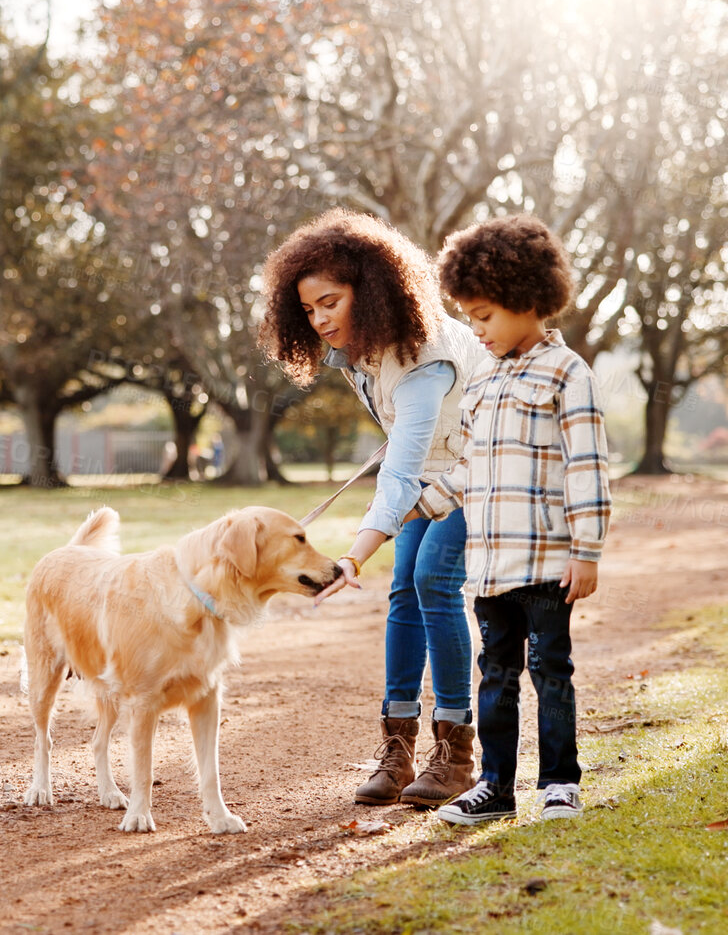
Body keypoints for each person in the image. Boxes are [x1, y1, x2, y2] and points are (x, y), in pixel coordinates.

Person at [258, 208, 489, 808]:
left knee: (433, 577)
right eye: (309, 309)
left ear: (373, 288)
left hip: (485, 473)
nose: (319, 319)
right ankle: (399, 747)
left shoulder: (422, 355)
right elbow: (409, 449)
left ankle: (458, 754)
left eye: (330, 302)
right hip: (436, 477)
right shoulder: (362, 352)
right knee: (404, 592)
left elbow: (404, 468)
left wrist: (353, 558)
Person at [404, 214, 612, 825]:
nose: (477, 329)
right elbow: (470, 468)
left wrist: (588, 550)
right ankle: (495, 785)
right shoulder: (482, 381)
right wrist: (423, 502)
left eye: (486, 315)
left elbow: (588, 467)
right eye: (469, 316)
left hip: (548, 562)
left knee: (551, 672)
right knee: (494, 677)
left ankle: (559, 783)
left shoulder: (568, 374)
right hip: (490, 567)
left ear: (527, 300)